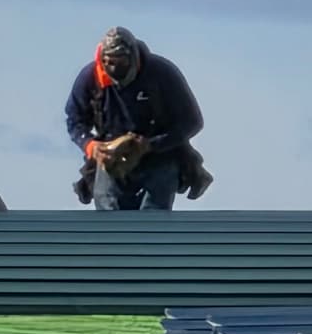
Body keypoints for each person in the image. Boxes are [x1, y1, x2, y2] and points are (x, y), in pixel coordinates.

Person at [65, 27, 210, 212]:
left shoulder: (161, 73)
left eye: (121, 61)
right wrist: (91, 146)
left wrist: (151, 145)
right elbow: (74, 120)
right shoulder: (90, 78)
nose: (114, 68)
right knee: (107, 215)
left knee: (154, 217)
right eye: (109, 62)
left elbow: (192, 121)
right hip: (111, 159)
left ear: (133, 57)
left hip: (159, 156)